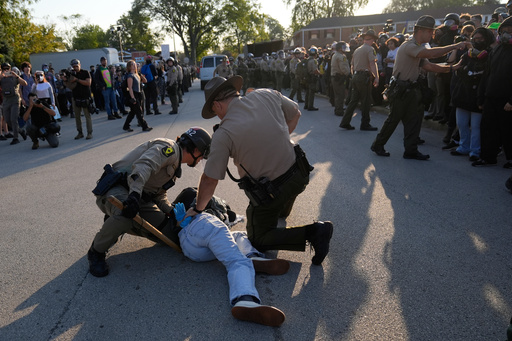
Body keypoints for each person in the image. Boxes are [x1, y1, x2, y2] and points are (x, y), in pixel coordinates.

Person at [87, 127, 287, 326]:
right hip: (119, 189)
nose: (200, 160)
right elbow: (143, 167)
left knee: (167, 235)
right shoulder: (168, 149)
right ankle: (96, 251)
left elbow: (158, 194)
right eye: (202, 155)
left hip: (142, 199)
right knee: (125, 215)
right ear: (196, 149)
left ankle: (117, 222)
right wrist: (133, 196)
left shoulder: (173, 169)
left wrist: (171, 213)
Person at [186, 76, 334, 265]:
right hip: (300, 174)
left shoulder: (224, 133)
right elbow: (295, 113)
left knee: (258, 238)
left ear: (217, 105)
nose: (217, 115)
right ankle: (281, 210)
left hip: (273, 192)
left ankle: (314, 232)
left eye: (214, 110)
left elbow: (210, 180)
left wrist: (198, 209)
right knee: (285, 193)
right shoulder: (265, 94)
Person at [370, 15, 470, 160]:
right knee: (393, 120)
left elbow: (429, 66)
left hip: (411, 90)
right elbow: (430, 53)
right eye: (430, 31)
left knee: (414, 122)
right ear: (420, 31)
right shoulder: (409, 46)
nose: (432, 34)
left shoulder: (417, 48)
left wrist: (452, 67)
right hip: (401, 90)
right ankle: (378, 145)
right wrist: (454, 46)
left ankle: (410, 150)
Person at [450, 27, 494, 161]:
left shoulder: (490, 54)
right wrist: (464, 71)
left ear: (486, 39)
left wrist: (471, 73)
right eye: (475, 39)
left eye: (480, 39)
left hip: (478, 95)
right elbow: (458, 68)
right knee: (462, 123)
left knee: (476, 126)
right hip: (463, 93)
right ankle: (464, 146)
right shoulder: (467, 54)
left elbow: (486, 75)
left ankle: (475, 150)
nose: (477, 41)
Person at [473, 16, 512, 168]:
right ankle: (487, 157)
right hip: (490, 97)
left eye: (510, 31)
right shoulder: (496, 50)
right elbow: (486, 75)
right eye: (503, 31)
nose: (506, 34)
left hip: (506, 100)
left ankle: (510, 159)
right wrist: (481, 98)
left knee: (508, 131)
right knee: (488, 128)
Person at [339, 29, 380, 131]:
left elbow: (352, 65)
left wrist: (354, 76)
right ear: (373, 39)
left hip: (356, 76)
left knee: (353, 101)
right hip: (364, 76)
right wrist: (377, 77)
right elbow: (372, 64)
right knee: (366, 101)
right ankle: (365, 124)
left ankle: (345, 122)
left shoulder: (357, 50)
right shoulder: (370, 49)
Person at [0, 62, 28, 145]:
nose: (6, 70)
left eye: (7, 69)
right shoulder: (1, 78)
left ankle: (16, 138)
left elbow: (24, 83)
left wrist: (17, 76)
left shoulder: (14, 77)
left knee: (13, 119)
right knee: (8, 121)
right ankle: (21, 131)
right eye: (4, 69)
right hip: (6, 101)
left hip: (15, 100)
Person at [122, 60, 152, 133]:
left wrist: (140, 75)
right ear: (129, 66)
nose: (134, 65)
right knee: (139, 111)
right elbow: (130, 87)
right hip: (134, 94)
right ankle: (144, 126)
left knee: (133, 112)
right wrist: (133, 98)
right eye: (132, 64)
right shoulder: (130, 76)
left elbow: (145, 81)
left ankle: (126, 126)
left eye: (134, 64)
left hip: (139, 94)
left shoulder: (136, 74)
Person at [67, 59, 93, 140]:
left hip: (85, 97)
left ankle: (89, 133)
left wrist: (77, 80)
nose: (75, 68)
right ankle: (80, 132)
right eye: (74, 67)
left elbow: (88, 83)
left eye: (76, 66)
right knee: (77, 117)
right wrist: (67, 76)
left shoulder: (85, 72)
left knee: (87, 116)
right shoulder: (71, 74)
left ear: (80, 65)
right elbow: (69, 85)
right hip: (76, 98)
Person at [331, 41, 351, 117]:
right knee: (340, 95)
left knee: (337, 94)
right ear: (339, 48)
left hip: (335, 77)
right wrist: (348, 74)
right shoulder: (341, 56)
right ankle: (339, 110)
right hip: (339, 77)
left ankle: (338, 108)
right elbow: (343, 68)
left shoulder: (335, 55)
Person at [304, 47, 320, 111]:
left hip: (307, 77)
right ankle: (310, 106)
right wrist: (320, 73)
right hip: (312, 77)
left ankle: (306, 105)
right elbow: (315, 70)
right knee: (311, 92)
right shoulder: (314, 61)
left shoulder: (307, 60)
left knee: (307, 92)